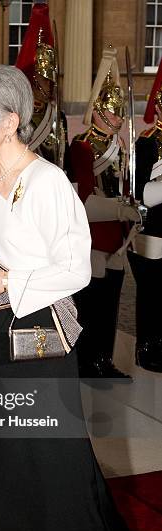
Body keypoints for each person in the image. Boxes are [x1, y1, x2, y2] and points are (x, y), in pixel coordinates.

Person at [0, 64, 134, 531]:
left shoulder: (48, 182)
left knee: (51, 448)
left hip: (40, 332)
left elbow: (75, 271)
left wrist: (4, 279)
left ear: (11, 121)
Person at [70, 46, 140, 379]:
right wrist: (120, 208)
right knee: (91, 303)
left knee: (111, 302)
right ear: (97, 110)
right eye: (113, 112)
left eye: (120, 112)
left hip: (118, 235)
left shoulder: (122, 147)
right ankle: (86, 361)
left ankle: (103, 359)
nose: (118, 118)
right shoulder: (83, 145)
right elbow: (83, 198)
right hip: (95, 234)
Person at [128, 57, 162, 372]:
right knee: (151, 293)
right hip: (152, 228)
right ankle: (147, 348)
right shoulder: (148, 143)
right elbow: (140, 191)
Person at [15, 0, 70, 173]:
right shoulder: (18, 115)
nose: (51, 85)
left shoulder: (57, 115)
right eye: (46, 80)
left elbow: (64, 157)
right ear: (33, 80)